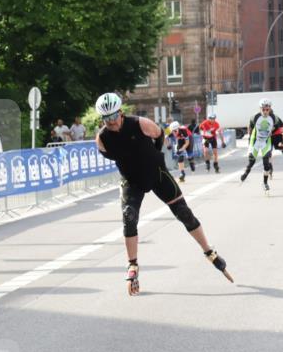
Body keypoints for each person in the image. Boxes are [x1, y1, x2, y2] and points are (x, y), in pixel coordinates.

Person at [94, 92, 232, 296]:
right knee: (128, 217)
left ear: (121, 113)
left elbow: (160, 135)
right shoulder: (102, 139)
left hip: (156, 173)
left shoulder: (140, 123)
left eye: (114, 116)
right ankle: (132, 265)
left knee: (184, 213)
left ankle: (208, 251)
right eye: (107, 119)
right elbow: (113, 156)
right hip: (132, 180)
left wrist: (154, 157)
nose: (111, 122)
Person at [241, 98, 281, 194]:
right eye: (263, 109)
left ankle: (265, 182)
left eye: (267, 109)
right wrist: (249, 138)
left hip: (266, 142)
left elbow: (278, 128)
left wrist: (275, 135)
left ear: (270, 109)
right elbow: (250, 127)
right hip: (255, 141)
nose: (265, 111)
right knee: (252, 161)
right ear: (260, 109)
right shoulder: (254, 117)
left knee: (266, 162)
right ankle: (246, 172)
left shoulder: (274, 118)